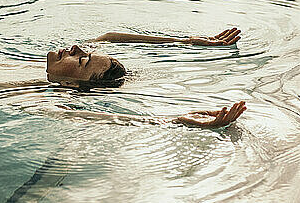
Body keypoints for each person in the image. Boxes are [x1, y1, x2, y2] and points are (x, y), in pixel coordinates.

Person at [44, 27, 245, 128]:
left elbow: (78, 115)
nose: (76, 48)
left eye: (81, 60)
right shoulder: (59, 70)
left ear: (70, 84)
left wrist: (172, 121)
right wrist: (185, 41)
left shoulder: (34, 89)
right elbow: (107, 38)